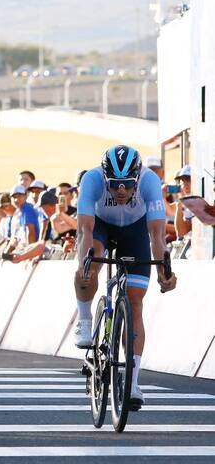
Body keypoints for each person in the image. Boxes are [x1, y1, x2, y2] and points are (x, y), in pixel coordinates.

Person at [74, 145, 177, 407]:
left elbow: (156, 234)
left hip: (135, 231)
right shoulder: (92, 179)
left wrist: (164, 272)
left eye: (128, 184)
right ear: (106, 178)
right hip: (100, 227)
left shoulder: (150, 181)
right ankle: (85, 320)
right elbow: (85, 230)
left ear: (137, 179)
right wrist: (85, 267)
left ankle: (132, 383)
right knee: (89, 264)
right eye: (116, 184)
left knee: (135, 303)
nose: (121, 190)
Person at [173, 165, 193, 239]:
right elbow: (180, 233)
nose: (184, 183)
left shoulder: (197, 200)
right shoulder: (185, 200)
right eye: (182, 180)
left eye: (188, 179)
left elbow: (182, 232)